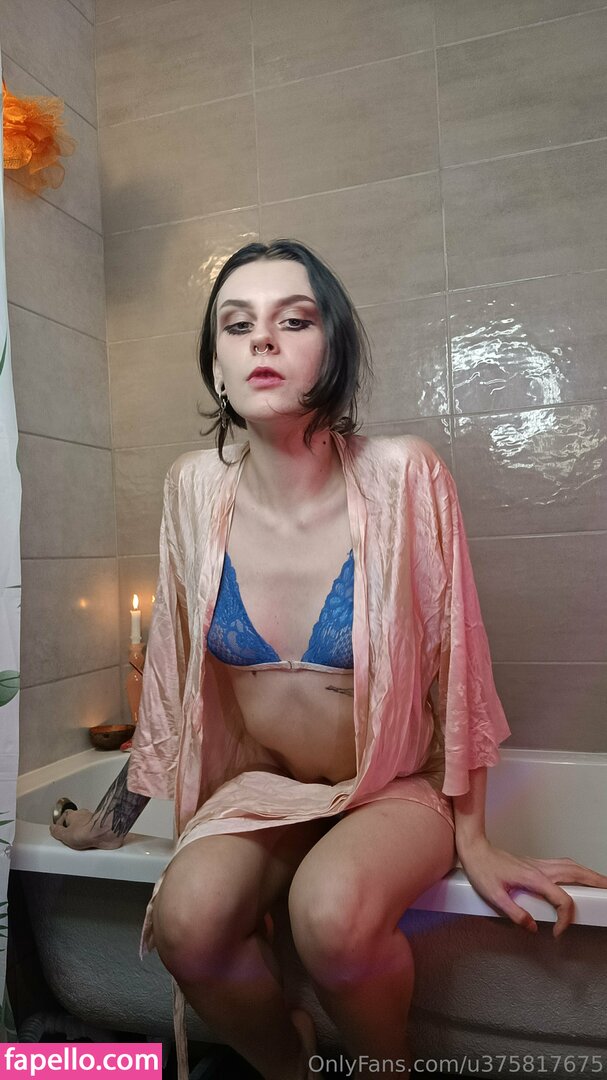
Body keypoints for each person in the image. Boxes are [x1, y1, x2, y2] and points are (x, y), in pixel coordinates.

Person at [51, 239, 607, 1080]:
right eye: (237, 325)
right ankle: (291, 1063)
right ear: (216, 368)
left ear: (333, 349)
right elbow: (169, 677)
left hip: (392, 785)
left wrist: (475, 837)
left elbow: (457, 664)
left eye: (294, 320)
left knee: (331, 914)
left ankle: (386, 1071)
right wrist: (111, 821)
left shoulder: (403, 473)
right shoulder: (192, 487)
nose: (262, 340)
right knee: (187, 923)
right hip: (267, 787)